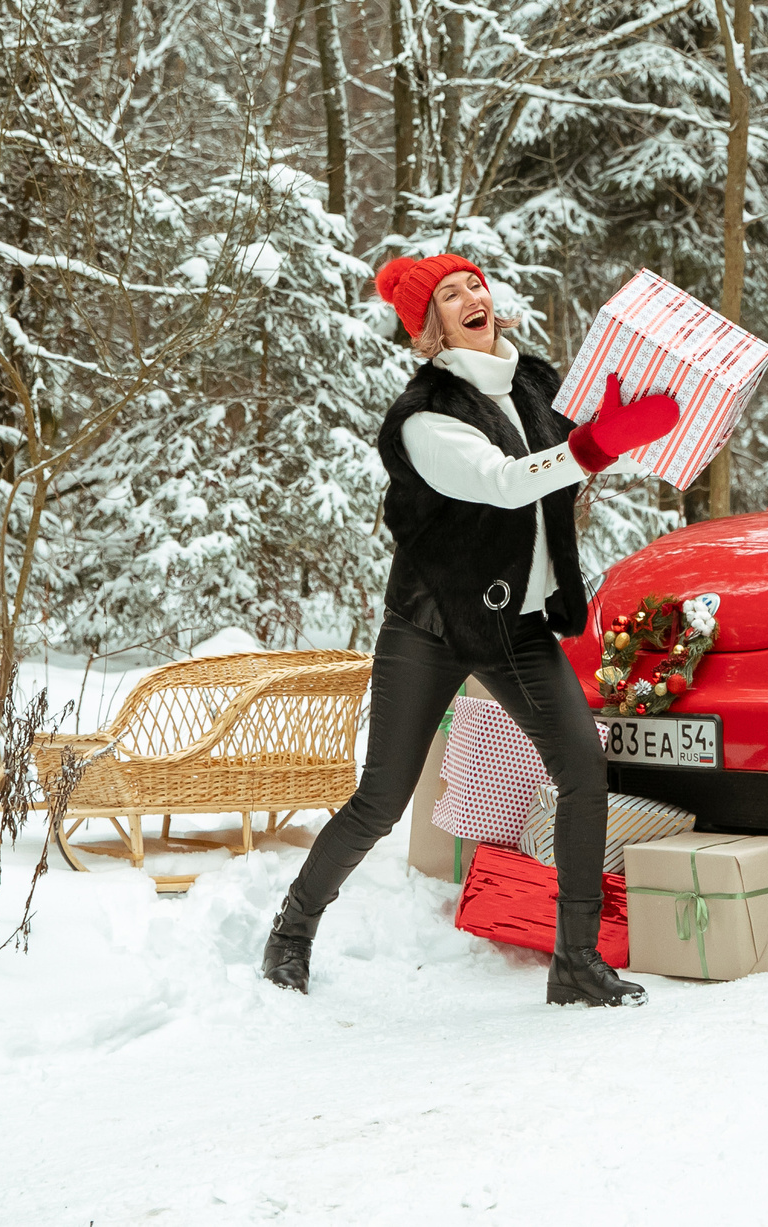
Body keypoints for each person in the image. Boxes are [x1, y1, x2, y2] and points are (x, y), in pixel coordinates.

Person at [260, 253, 684, 1007]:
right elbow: (500, 481)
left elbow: (572, 452)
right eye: (449, 295)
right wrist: (592, 444)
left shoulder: (536, 382)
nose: (470, 296)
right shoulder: (424, 416)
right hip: (432, 625)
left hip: (515, 624)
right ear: (429, 330)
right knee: (382, 801)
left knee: (584, 768)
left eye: (474, 284)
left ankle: (575, 960)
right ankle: (293, 928)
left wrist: (613, 418)